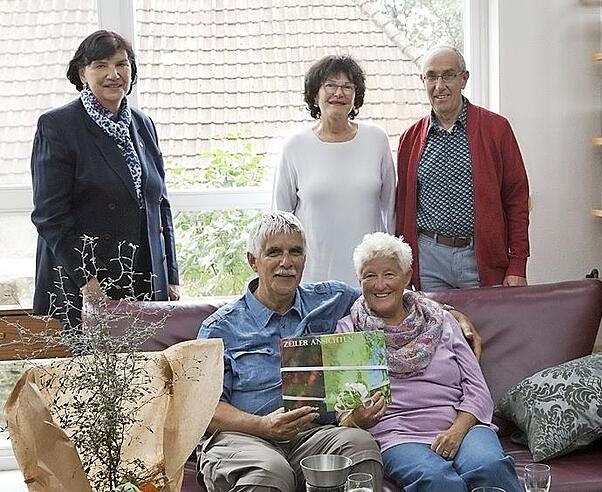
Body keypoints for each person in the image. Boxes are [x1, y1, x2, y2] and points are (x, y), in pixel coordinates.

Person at [196, 212, 480, 492]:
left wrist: (450, 313)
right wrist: (263, 425)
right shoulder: (220, 327)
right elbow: (204, 410)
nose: (286, 262)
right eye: (274, 253)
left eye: (295, 252)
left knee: (361, 445)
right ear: (252, 261)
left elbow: (389, 294)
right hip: (245, 436)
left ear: (305, 259)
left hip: (312, 434)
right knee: (271, 472)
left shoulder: (332, 299)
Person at [336, 232, 521, 492]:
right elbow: (344, 412)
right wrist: (358, 416)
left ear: (406, 277)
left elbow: (478, 390)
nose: (380, 285)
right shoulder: (348, 332)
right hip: (396, 435)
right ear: (359, 280)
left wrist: (457, 431)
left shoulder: (441, 321)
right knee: (437, 479)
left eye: (389, 274)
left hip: (462, 425)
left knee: (489, 466)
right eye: (369, 275)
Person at [30, 30, 179, 330]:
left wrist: (171, 277)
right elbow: (50, 216)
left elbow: (160, 204)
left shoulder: (143, 124)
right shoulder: (58, 126)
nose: (114, 74)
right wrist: (87, 279)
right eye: (101, 65)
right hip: (85, 287)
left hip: (145, 283)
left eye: (122, 64)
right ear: (82, 73)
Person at [395, 46, 530, 291]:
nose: (439, 85)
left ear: (464, 79)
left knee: (483, 329)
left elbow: (517, 200)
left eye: (448, 75)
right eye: (432, 76)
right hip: (428, 261)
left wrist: (517, 264)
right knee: (434, 329)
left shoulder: (496, 129)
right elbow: (403, 210)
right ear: (423, 80)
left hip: (480, 258)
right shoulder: (409, 139)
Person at [273, 55, 396, 286]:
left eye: (347, 87)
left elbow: (391, 212)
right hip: (313, 277)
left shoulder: (376, 139)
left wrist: (393, 268)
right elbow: (280, 218)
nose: (338, 93)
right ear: (315, 94)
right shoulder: (295, 145)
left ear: (355, 96)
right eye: (330, 85)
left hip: (369, 277)